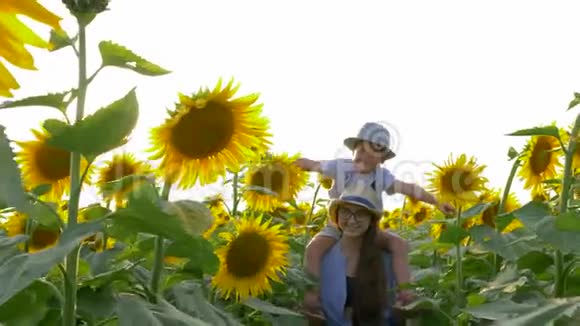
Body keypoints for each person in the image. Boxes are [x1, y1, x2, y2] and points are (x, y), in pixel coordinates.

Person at [295, 122, 455, 308]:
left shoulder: (382, 177)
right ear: (353, 150)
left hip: (369, 228)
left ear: (382, 159)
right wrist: (291, 165)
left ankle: (405, 295)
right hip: (338, 225)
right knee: (314, 248)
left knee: (399, 244)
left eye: (373, 153)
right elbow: (313, 165)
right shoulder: (341, 167)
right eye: (361, 150)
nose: (365, 156)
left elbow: (409, 188)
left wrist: (436, 201)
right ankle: (312, 300)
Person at [308, 183, 400, 325]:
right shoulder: (324, 258)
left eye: (361, 213)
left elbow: (393, 312)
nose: (351, 220)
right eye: (345, 211)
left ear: (371, 220)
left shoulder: (386, 259)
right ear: (337, 216)